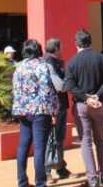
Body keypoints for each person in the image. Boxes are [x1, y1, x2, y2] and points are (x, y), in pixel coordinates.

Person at [65, 30, 103, 187]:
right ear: (90, 41)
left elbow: (70, 85)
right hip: (99, 104)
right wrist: (97, 96)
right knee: (100, 141)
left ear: (76, 43)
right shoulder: (101, 58)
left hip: (82, 105)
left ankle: (92, 179)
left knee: (86, 141)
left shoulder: (72, 62)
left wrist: (86, 98)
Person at [11, 40, 59, 187]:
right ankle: (40, 182)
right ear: (38, 50)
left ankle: (22, 182)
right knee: (39, 147)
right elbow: (47, 90)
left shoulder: (19, 67)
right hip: (40, 111)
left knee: (23, 146)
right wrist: (54, 110)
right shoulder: (41, 65)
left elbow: (15, 90)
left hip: (23, 111)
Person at [44, 39, 71, 181]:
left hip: (59, 104)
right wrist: (70, 82)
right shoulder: (49, 63)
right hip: (55, 105)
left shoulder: (56, 62)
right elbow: (60, 86)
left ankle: (60, 167)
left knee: (58, 137)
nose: (62, 50)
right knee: (53, 137)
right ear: (56, 49)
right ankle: (47, 170)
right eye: (61, 47)